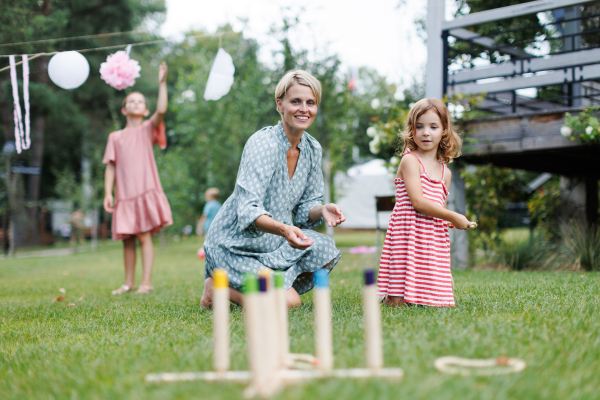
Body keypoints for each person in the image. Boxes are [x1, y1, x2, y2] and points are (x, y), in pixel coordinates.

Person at [201, 70, 346, 309]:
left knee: (324, 247)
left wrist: (322, 210)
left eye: (310, 103)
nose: (304, 109)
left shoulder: (312, 149)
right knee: (290, 302)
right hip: (235, 247)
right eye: (295, 101)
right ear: (280, 104)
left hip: (274, 245)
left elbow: (306, 206)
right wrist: (284, 229)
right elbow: (248, 210)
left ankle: (263, 286)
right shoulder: (263, 143)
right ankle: (218, 288)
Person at [376, 98, 472, 307]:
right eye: (419, 127)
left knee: (433, 298)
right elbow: (418, 202)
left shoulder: (445, 172)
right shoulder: (410, 160)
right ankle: (394, 296)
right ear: (412, 130)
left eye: (433, 127)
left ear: (444, 131)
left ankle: (430, 289)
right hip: (408, 231)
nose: (425, 132)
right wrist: (454, 216)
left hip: (430, 235)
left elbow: (439, 208)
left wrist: (449, 220)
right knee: (398, 301)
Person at [103, 62, 173, 295]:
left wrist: (162, 83)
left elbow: (161, 110)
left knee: (143, 235)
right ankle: (128, 282)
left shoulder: (146, 129)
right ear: (124, 110)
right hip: (124, 195)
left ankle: (146, 282)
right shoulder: (115, 137)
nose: (135, 103)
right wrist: (108, 193)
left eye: (140, 101)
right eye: (130, 101)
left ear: (144, 111)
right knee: (127, 239)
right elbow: (110, 166)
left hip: (145, 190)